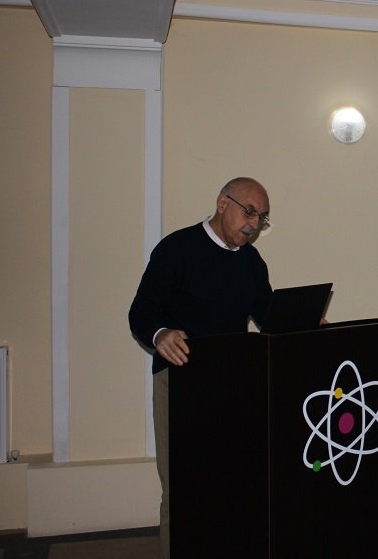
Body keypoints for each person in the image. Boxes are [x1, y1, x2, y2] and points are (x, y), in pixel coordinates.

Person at [128, 177, 273, 558]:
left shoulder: (251, 262)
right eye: (250, 212)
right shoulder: (177, 249)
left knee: (231, 483)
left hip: (235, 386)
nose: (254, 225)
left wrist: (305, 322)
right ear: (223, 203)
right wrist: (160, 334)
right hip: (180, 383)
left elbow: (268, 317)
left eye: (261, 218)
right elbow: (141, 311)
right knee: (182, 488)